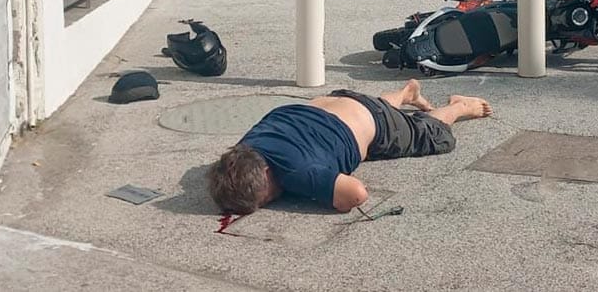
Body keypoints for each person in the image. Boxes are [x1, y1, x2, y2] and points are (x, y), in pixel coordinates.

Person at [207, 79, 492, 214]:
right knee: (374, 113)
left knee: (432, 135)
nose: (272, 200)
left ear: (267, 172)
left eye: (267, 197)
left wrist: (310, 190)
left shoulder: (295, 172)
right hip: (333, 102)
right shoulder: (244, 148)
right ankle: (406, 93)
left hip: (376, 122)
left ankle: (459, 106)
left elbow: (355, 194)